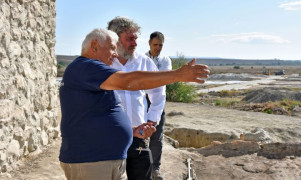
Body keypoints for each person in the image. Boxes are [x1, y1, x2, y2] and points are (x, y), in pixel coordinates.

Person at [59, 28, 209, 180]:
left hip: (104, 159)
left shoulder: (92, 72)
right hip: (91, 161)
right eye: (112, 48)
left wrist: (133, 131)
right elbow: (129, 81)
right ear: (94, 46)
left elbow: (96, 115)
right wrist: (177, 75)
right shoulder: (85, 67)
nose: (115, 53)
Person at [108, 17, 166, 180]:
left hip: (138, 136)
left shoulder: (144, 62)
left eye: (135, 38)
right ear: (115, 39)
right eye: (130, 39)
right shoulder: (103, 63)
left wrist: (151, 121)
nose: (134, 43)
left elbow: (159, 92)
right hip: (110, 137)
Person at [145, 31, 171, 180]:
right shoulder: (141, 59)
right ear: (149, 43)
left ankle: (155, 168)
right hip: (142, 100)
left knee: (157, 136)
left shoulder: (166, 60)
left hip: (158, 101)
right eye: (155, 44)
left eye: (161, 45)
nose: (158, 48)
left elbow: (163, 79)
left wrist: (149, 79)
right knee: (138, 135)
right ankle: (140, 167)